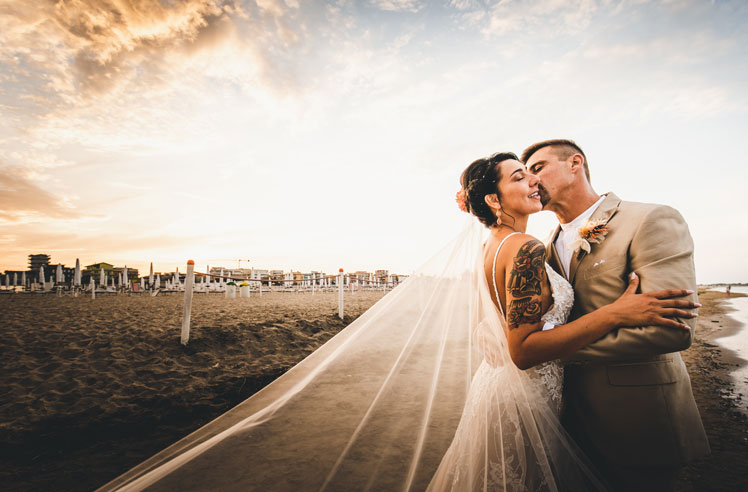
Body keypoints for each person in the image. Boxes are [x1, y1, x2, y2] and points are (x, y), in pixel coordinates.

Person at [100, 153, 697, 492]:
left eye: (530, 173)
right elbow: (521, 349)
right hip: (523, 390)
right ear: (492, 199)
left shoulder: (494, 247)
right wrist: (620, 311)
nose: (530, 182)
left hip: (503, 391)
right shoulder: (525, 251)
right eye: (518, 176)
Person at [521, 139, 710, 492]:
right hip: (565, 424)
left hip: (637, 420)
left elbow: (675, 330)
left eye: (537, 168)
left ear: (575, 163)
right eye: (525, 175)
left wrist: (553, 353)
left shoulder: (649, 219)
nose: (530, 181)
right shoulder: (543, 246)